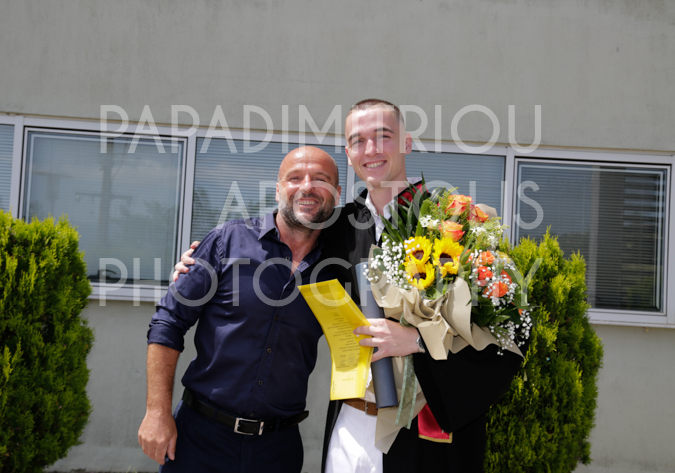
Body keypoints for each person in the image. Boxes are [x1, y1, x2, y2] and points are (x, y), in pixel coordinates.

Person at [176, 99, 528, 473]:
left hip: (424, 437)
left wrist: (418, 340)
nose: (371, 149)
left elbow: (512, 331)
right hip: (349, 428)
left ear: (407, 143)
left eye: (383, 136)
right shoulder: (335, 229)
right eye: (359, 140)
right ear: (348, 153)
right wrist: (198, 266)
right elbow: (280, 253)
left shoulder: (455, 222)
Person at [138, 146, 342, 472]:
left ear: (337, 193)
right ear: (278, 190)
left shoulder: (340, 267)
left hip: (278, 450)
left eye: (321, 179)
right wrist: (157, 411)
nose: (307, 187)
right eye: (295, 178)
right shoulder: (227, 241)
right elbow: (169, 321)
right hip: (199, 439)